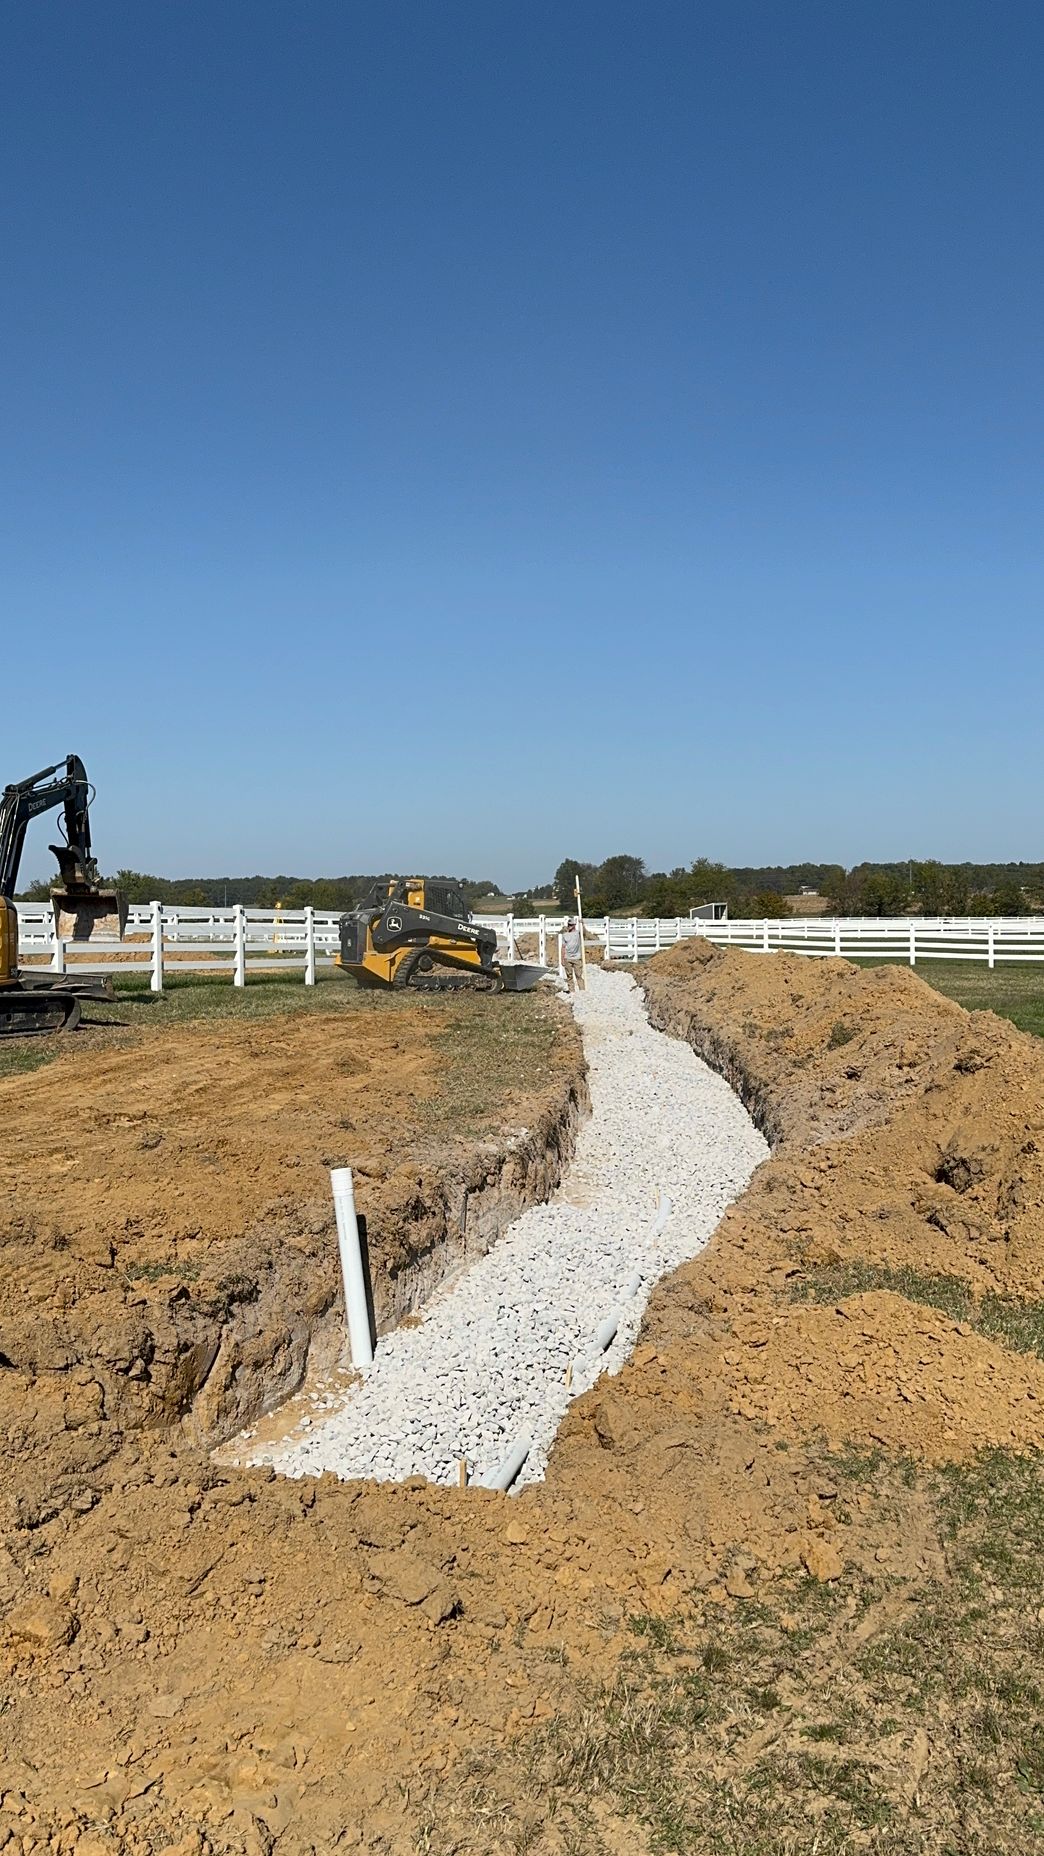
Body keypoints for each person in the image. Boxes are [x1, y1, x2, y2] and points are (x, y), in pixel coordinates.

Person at [560, 916, 585, 992]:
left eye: (571, 925)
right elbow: (563, 947)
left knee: (578, 975)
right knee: (569, 976)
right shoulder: (565, 935)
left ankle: (582, 991)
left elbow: (584, 932)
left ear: (574, 925)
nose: (569, 926)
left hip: (577, 958)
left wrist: (582, 924)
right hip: (568, 958)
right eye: (569, 924)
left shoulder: (577, 933)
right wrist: (562, 959)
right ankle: (572, 992)